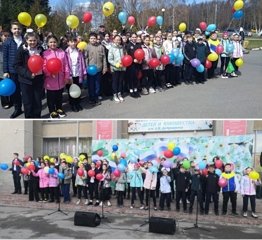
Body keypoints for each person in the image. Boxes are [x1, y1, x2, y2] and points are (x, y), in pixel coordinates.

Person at [13, 32, 44, 118]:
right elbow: (16, 66)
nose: (32, 42)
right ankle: (29, 119)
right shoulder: (21, 50)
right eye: (30, 40)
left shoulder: (40, 49)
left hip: (38, 79)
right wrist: (28, 74)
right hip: (25, 80)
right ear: (26, 40)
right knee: (28, 102)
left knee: (37, 100)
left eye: (34, 40)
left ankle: (37, 118)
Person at [43, 35, 70, 119]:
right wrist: (49, 73)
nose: (53, 44)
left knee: (59, 96)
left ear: (57, 43)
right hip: (50, 79)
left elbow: (66, 65)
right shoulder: (45, 54)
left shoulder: (62, 53)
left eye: (54, 42)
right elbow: (43, 66)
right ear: (47, 43)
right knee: (51, 97)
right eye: (50, 42)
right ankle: (52, 111)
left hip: (60, 78)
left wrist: (66, 76)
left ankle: (59, 108)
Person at [3, 22, 23, 118]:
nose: (17, 30)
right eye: (15, 29)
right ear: (11, 30)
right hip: (12, 71)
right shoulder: (7, 42)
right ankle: (17, 109)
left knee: (26, 91)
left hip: (24, 70)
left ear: (21, 30)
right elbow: (5, 57)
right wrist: (6, 71)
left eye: (18, 28)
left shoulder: (25, 41)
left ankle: (28, 108)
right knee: (15, 92)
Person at [83, 33, 107, 106]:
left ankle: (96, 98)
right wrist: (86, 69)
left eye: (94, 38)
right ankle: (91, 98)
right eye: (91, 38)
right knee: (91, 85)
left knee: (97, 85)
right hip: (90, 71)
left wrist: (104, 68)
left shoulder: (101, 47)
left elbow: (104, 58)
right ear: (89, 39)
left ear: (97, 39)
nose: (93, 40)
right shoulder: (86, 48)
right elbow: (85, 59)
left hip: (99, 69)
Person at [65, 36, 87, 112]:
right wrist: (69, 76)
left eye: (74, 41)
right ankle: (73, 105)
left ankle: (77, 103)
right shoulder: (66, 52)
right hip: (70, 75)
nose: (73, 43)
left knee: (78, 90)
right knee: (71, 91)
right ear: (68, 43)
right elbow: (66, 65)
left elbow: (82, 62)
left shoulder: (78, 51)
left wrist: (84, 74)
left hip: (78, 73)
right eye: (71, 41)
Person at [108, 35, 126, 103]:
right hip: (115, 69)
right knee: (115, 82)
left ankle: (119, 94)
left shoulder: (122, 48)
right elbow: (110, 59)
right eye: (116, 40)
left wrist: (124, 65)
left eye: (119, 40)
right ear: (113, 40)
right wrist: (117, 65)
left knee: (120, 82)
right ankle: (115, 95)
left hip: (122, 68)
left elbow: (126, 57)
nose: (118, 41)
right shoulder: (111, 48)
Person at [125, 33, 142, 98]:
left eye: (135, 37)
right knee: (130, 77)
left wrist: (141, 60)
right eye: (133, 37)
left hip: (137, 64)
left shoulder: (139, 45)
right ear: (130, 38)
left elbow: (141, 53)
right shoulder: (128, 45)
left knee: (136, 76)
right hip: (130, 64)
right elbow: (127, 55)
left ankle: (135, 90)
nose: (134, 38)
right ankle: (131, 90)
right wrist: (132, 60)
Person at [0, 30, 11, 109]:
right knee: (3, 85)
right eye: (5, 36)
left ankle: (13, 101)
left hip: (10, 67)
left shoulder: (11, 44)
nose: (6, 37)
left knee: (11, 84)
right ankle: (5, 102)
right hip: (1, 68)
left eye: (8, 36)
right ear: (1, 37)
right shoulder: (0, 45)